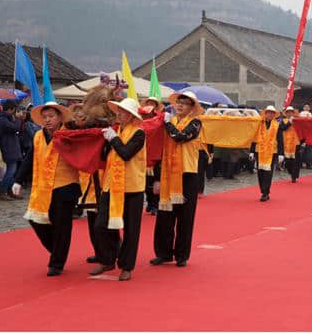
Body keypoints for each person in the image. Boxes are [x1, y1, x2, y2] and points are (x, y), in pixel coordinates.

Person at [12, 102, 81, 276]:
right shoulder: (37, 136)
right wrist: (18, 180)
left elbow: (81, 154)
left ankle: (57, 263)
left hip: (65, 186)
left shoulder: (70, 134)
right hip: (43, 187)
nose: (48, 120)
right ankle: (57, 249)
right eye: (45, 117)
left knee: (61, 226)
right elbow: (29, 158)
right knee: (36, 220)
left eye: (52, 116)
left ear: (60, 118)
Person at [90, 98, 146, 281]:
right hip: (111, 185)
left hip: (132, 187)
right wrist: (105, 141)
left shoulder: (139, 134)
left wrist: (113, 139)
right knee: (100, 225)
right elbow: (105, 156)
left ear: (131, 116)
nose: (119, 115)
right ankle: (107, 258)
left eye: (123, 112)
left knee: (131, 229)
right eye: (118, 111)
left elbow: (126, 153)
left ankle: (127, 265)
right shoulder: (115, 132)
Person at [151, 91, 203, 267]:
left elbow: (180, 137)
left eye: (185, 103)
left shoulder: (196, 123)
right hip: (167, 173)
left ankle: (182, 255)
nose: (180, 105)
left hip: (187, 174)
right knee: (165, 215)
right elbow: (159, 150)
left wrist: (166, 123)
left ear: (191, 108)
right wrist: (157, 178)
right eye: (178, 102)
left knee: (185, 216)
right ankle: (163, 253)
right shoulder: (168, 123)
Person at [249, 105, 284, 202]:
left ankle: (265, 193)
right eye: (269, 112)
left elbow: (280, 140)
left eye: (272, 113)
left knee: (268, 172)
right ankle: (262, 190)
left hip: (272, 151)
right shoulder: (259, 123)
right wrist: (251, 151)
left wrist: (281, 153)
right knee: (260, 172)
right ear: (265, 113)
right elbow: (254, 137)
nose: (270, 114)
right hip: (259, 150)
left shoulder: (277, 125)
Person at [0, 100, 22, 200]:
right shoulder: (2, 119)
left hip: (12, 147)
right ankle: (2, 191)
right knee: (10, 171)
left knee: (12, 171)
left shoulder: (7, 118)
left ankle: (10, 191)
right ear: (11, 109)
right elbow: (15, 128)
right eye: (15, 110)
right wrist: (17, 119)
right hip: (8, 148)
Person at [280, 106, 303, 183]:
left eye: (291, 112)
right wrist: (289, 122)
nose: (289, 113)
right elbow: (283, 128)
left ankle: (294, 175)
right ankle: (291, 172)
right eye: (288, 112)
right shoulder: (283, 121)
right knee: (288, 161)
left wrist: (303, 142)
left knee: (295, 161)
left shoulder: (297, 121)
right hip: (286, 143)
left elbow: (302, 131)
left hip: (296, 142)